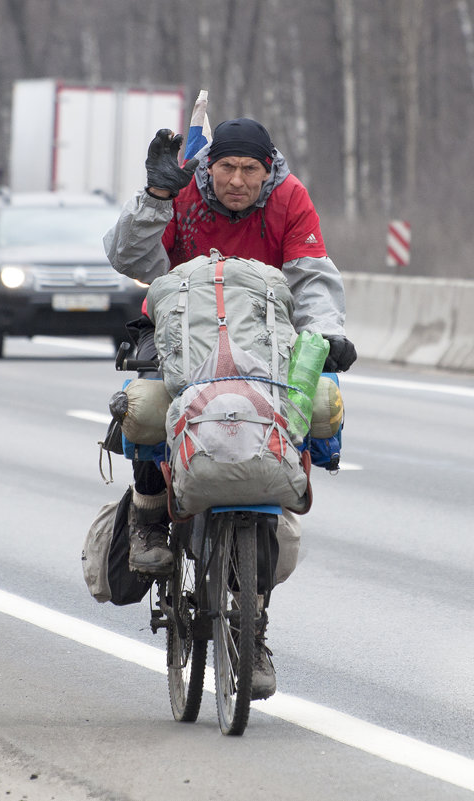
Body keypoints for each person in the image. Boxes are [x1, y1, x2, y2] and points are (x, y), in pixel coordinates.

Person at [104, 118, 356, 700]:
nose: (237, 181)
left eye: (250, 170)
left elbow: (312, 277)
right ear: (209, 166)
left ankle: (253, 625)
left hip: (261, 346)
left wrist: (327, 334)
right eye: (227, 169)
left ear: (269, 171)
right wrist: (156, 198)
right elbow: (129, 257)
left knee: (291, 428)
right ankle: (147, 514)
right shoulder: (183, 190)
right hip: (179, 338)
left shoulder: (290, 199)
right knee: (145, 406)